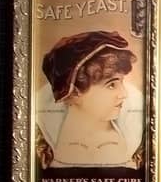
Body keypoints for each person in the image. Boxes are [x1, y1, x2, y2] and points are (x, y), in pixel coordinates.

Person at [35, 30, 144, 169]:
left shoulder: (135, 137)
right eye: (111, 85)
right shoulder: (44, 141)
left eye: (121, 82)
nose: (124, 94)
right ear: (74, 92)